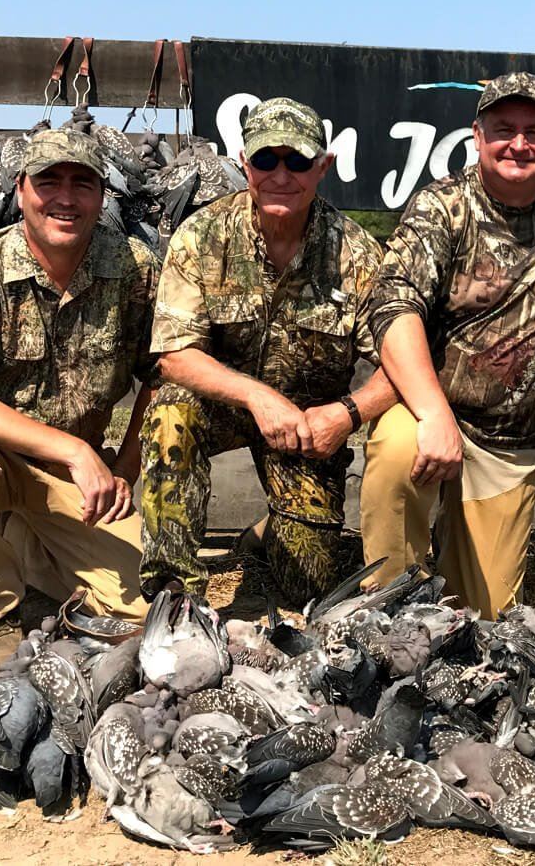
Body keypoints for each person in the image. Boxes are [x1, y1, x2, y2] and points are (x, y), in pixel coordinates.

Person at [0, 129, 158, 674]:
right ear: (21, 190)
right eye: (48, 182)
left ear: (102, 195)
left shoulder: (135, 267)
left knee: (142, 613)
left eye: (82, 184)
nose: (65, 198)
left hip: (75, 483)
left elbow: (162, 376)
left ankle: (33, 554)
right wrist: (74, 450)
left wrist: (124, 469)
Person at [361, 73, 535, 616]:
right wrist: (434, 414)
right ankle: (388, 611)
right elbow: (393, 307)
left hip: (507, 441)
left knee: (488, 616)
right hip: (428, 414)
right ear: (477, 136)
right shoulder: (441, 207)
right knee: (397, 450)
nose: (518, 144)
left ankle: (451, 558)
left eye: (534, 131)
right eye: (503, 130)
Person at [137, 97, 395, 607]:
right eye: (265, 159)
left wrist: (346, 415)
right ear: (243, 163)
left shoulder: (358, 254)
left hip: (306, 430)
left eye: (297, 160)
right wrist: (257, 397)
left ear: (323, 166)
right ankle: (174, 592)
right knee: (170, 411)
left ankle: (266, 533)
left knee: (309, 590)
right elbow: (174, 354)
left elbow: (404, 365)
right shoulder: (200, 236)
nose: (281, 175)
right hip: (221, 407)